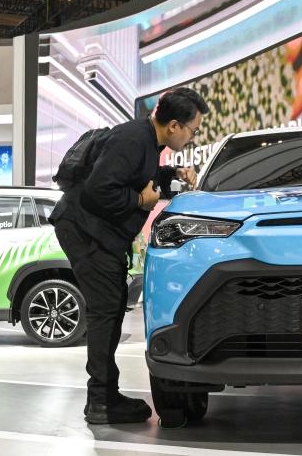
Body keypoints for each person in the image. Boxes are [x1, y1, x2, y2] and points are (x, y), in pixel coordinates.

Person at [51, 87, 209, 425]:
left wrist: (173, 175)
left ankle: (104, 397)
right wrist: (139, 203)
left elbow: (138, 178)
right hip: (84, 231)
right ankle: (101, 402)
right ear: (174, 125)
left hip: (95, 232)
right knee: (105, 312)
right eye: (193, 131)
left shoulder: (148, 142)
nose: (193, 138)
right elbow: (99, 191)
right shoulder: (133, 140)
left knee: (110, 307)